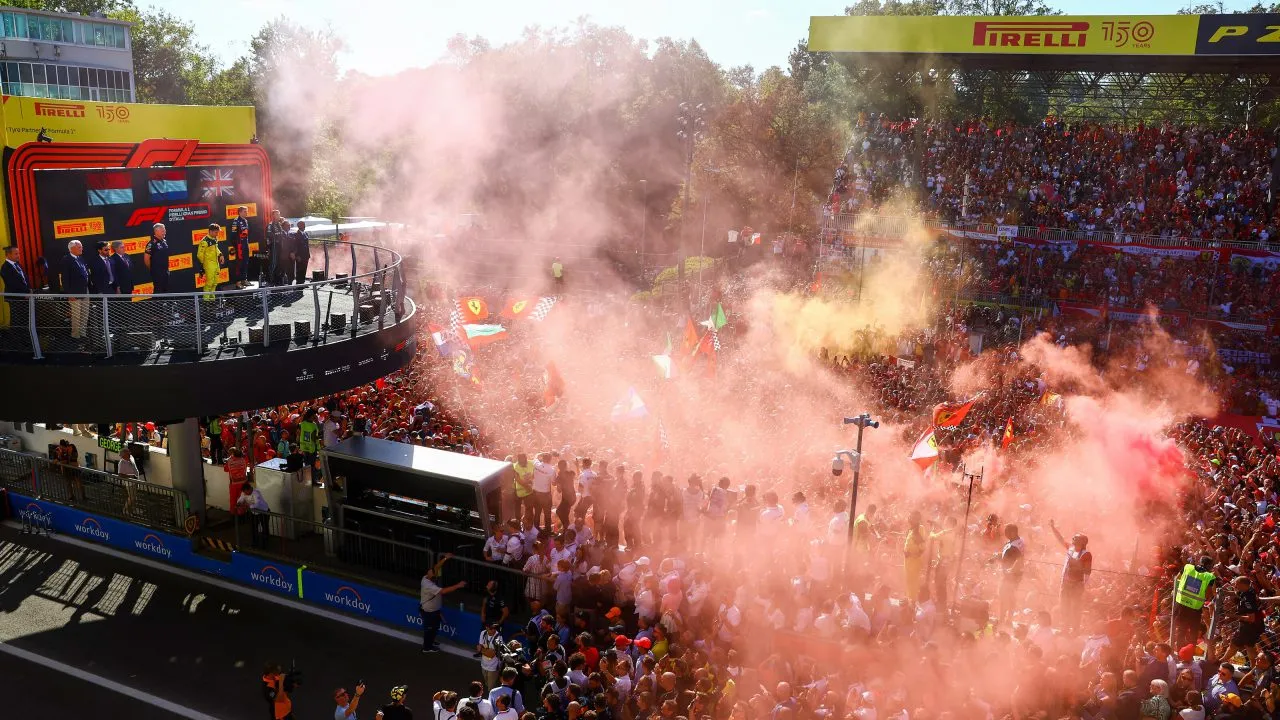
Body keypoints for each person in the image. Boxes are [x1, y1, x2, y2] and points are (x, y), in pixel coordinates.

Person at [1049, 518, 1092, 632]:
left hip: (1077, 585)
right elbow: (1060, 539)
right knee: (1064, 606)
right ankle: (1065, 628)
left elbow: (1087, 571)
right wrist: (1053, 528)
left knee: (1075, 608)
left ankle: (1075, 629)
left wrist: (1077, 565)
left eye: (1076, 539)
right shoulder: (1071, 549)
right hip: (1066, 583)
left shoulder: (1086, 554)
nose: (1073, 540)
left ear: (1082, 543)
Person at [420, 552, 464, 652]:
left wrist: (445, 559)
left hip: (434, 610)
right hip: (429, 611)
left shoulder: (426, 577)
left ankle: (430, 641)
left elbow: (436, 567)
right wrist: (458, 586)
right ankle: (427, 647)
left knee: (434, 628)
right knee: (429, 629)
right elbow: (443, 591)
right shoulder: (429, 586)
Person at [1172, 556, 1215, 649]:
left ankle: (1180, 652)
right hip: (1195, 609)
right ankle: (1190, 653)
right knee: (1193, 632)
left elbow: (1177, 579)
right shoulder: (1210, 576)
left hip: (1181, 605)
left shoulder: (1187, 567)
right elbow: (1208, 594)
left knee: (1181, 630)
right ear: (1209, 565)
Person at [60, 239, 90, 344]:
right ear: (71, 248)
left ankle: (83, 334)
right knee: (76, 315)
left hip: (85, 290)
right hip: (74, 292)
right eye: (79, 247)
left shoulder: (81, 258)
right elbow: (64, 278)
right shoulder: (66, 260)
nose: (81, 248)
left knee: (85, 314)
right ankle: (75, 336)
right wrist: (69, 294)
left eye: (81, 247)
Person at [2, 245, 30, 329]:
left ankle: (25, 339)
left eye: (19, 253)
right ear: (8, 255)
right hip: (16, 298)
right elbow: (13, 284)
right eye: (16, 254)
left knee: (24, 320)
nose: (18, 255)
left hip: (24, 297)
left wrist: (29, 291)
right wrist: (24, 294)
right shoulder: (5, 267)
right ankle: (16, 340)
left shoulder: (17, 265)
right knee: (17, 320)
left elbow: (24, 279)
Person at [237, 480, 270, 549]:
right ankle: (255, 543)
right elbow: (240, 499)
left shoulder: (256, 493)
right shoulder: (244, 493)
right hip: (254, 513)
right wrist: (239, 503)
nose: (245, 494)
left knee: (265, 528)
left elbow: (256, 504)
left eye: (246, 492)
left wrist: (247, 506)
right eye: (244, 492)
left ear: (249, 489)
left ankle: (265, 544)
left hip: (263, 512)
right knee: (253, 528)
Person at [197, 224, 224, 302]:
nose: (217, 234)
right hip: (209, 265)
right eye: (216, 232)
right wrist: (202, 265)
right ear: (210, 231)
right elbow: (199, 255)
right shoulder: (204, 241)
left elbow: (216, 249)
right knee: (209, 283)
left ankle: (212, 299)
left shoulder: (215, 239)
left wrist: (220, 254)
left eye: (217, 232)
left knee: (215, 283)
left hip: (216, 263)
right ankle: (206, 301)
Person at [143, 222, 171, 294]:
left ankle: (166, 304)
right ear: (156, 231)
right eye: (162, 231)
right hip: (157, 272)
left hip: (165, 271)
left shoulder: (164, 241)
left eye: (165, 230)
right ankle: (158, 305)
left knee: (166, 288)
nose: (165, 232)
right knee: (158, 290)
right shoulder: (151, 244)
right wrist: (153, 268)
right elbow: (146, 259)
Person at [228, 205, 251, 288]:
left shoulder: (245, 221)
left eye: (247, 211)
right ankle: (238, 282)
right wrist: (237, 245)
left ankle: (244, 280)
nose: (247, 213)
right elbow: (232, 235)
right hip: (239, 246)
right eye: (245, 211)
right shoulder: (235, 221)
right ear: (240, 212)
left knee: (246, 262)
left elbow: (246, 234)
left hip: (246, 244)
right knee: (239, 264)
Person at [479, 621, 505, 689]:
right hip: (483, 664)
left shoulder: (499, 638)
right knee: (486, 683)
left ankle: (491, 698)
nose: (493, 630)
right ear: (486, 628)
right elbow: (479, 647)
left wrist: (482, 650)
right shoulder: (483, 633)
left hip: (493, 667)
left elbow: (491, 655)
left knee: (490, 687)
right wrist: (486, 651)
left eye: (495, 628)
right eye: (491, 628)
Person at [292, 220, 311, 284]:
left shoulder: (306, 233)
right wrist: (297, 255)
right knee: (299, 269)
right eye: (303, 225)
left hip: (306, 255)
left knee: (304, 269)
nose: (304, 226)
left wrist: (308, 255)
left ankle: (303, 281)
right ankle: (299, 282)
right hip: (300, 256)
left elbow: (307, 245)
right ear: (299, 226)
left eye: (304, 224)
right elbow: (296, 246)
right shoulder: (297, 234)